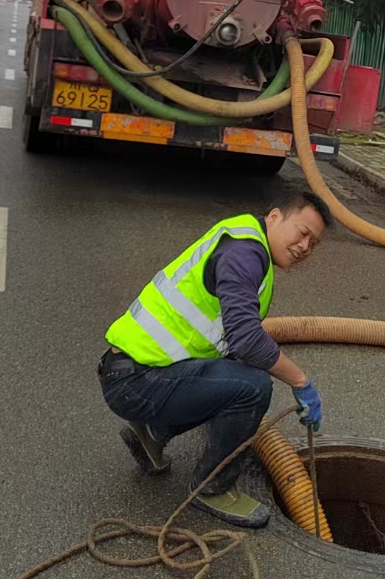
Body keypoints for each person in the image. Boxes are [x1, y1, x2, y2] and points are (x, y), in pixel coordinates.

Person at [97, 189, 331, 527]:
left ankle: (153, 430)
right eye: (303, 232)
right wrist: (301, 381)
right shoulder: (244, 253)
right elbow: (248, 340)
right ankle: (212, 487)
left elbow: (235, 338)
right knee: (252, 386)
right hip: (135, 381)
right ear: (275, 216)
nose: (305, 247)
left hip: (136, 374)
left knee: (242, 373)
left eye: (314, 243)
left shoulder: (248, 243)